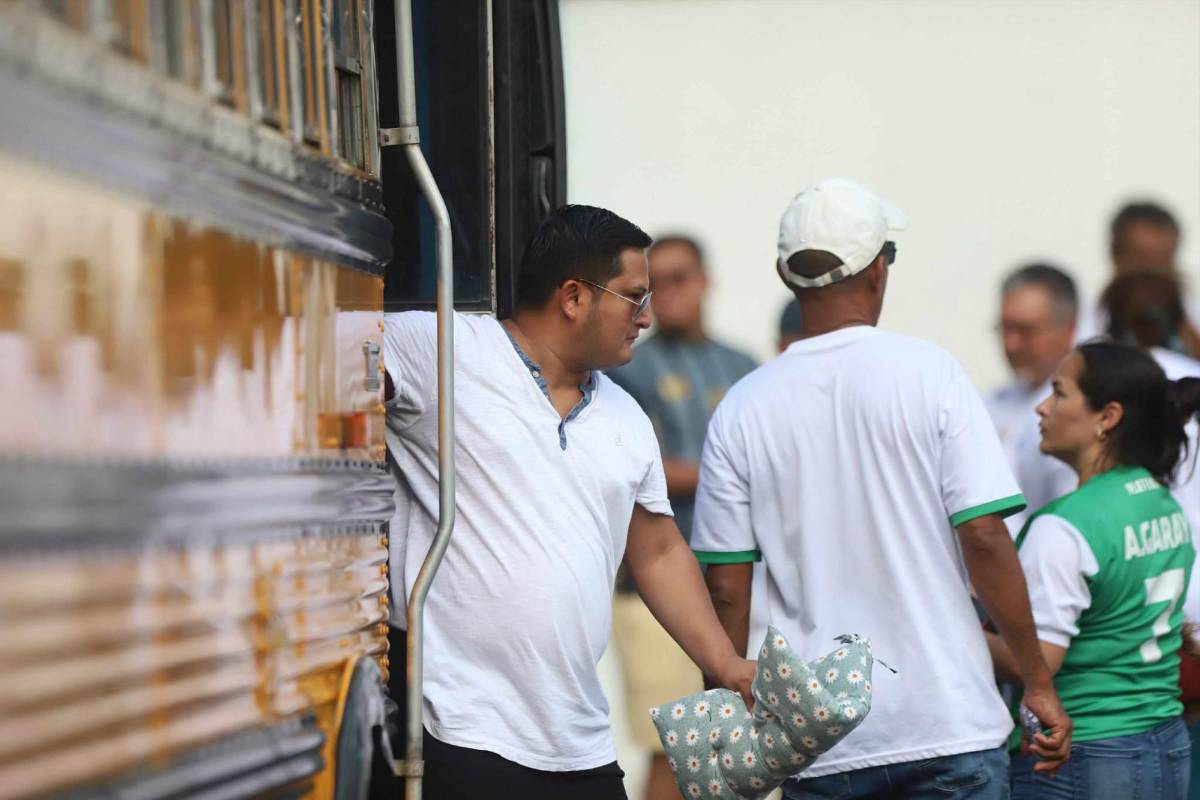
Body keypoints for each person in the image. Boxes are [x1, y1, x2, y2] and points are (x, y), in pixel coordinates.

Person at [693, 177, 1071, 799]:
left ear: (787, 278)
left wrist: (724, 717)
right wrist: (1037, 681)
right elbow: (982, 535)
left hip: (820, 739)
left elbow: (727, 589)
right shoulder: (932, 373)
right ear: (877, 271)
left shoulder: (741, 407)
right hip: (947, 723)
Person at [384, 204, 754, 799]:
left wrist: (729, 666)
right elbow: (305, 371)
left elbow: (658, 552)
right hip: (459, 731)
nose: (648, 317)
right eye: (635, 297)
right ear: (575, 297)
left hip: (579, 742)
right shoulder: (439, 351)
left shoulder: (625, 416)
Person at [987, 341, 1200, 800]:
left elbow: (1037, 662)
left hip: (1082, 754)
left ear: (1108, 416)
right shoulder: (1162, 504)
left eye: (1060, 394)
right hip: (1167, 744)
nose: (1042, 408)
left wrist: (952, 628)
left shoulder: (1067, 526)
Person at [605, 234, 756, 800]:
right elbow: (633, 470)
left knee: (747, 745)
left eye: (679, 278)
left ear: (705, 281)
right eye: (653, 284)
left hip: (739, 583)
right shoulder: (627, 372)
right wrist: (730, 472)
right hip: (653, 589)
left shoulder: (742, 365)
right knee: (673, 746)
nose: (666, 294)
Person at [987, 264, 1080, 533]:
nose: (1011, 343)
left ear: (1069, 327)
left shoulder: (1087, 409)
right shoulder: (994, 403)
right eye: (1004, 329)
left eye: (1025, 330)